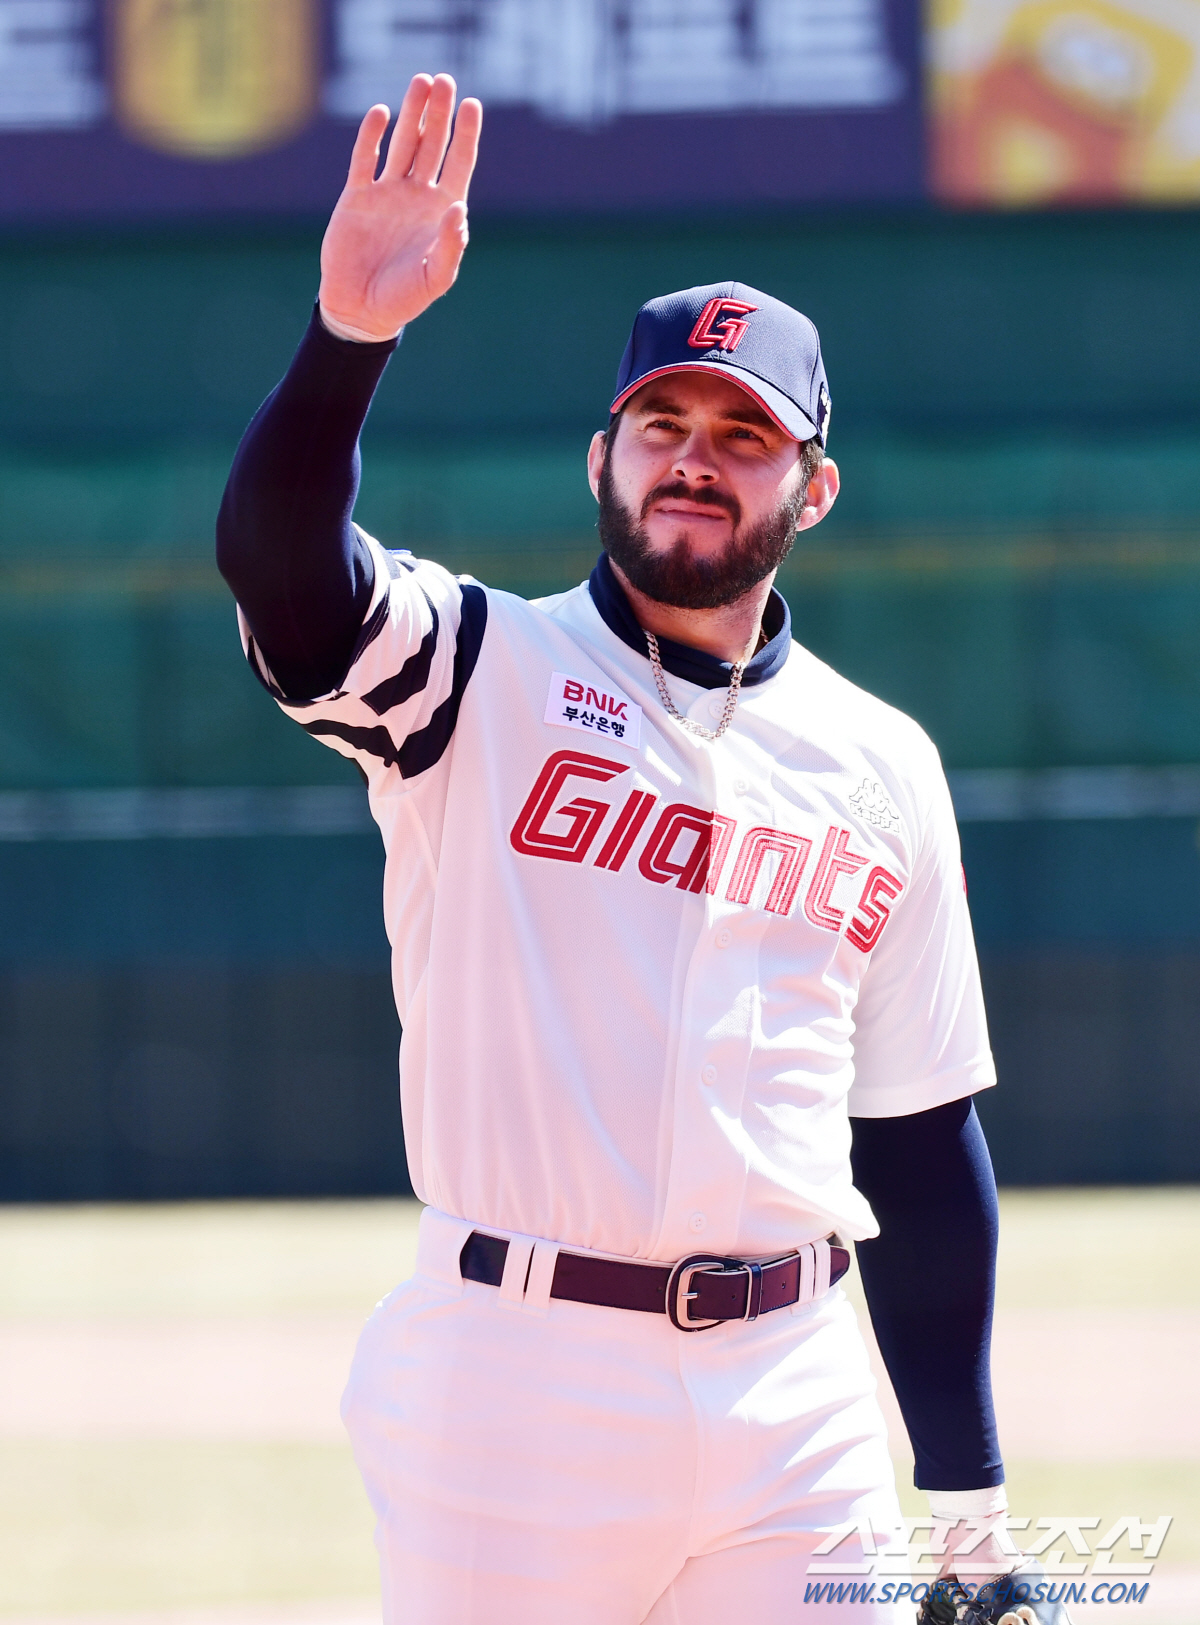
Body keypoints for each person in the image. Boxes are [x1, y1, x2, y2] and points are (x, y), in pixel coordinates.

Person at [217, 72, 1036, 1625]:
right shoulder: (477, 671)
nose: (694, 456)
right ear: (602, 454)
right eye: (661, 420)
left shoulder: (883, 764)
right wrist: (346, 340)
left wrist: (969, 1502)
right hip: (515, 1380)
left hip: (797, 1396)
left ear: (814, 485)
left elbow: (924, 1142)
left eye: (745, 432)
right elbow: (285, 579)